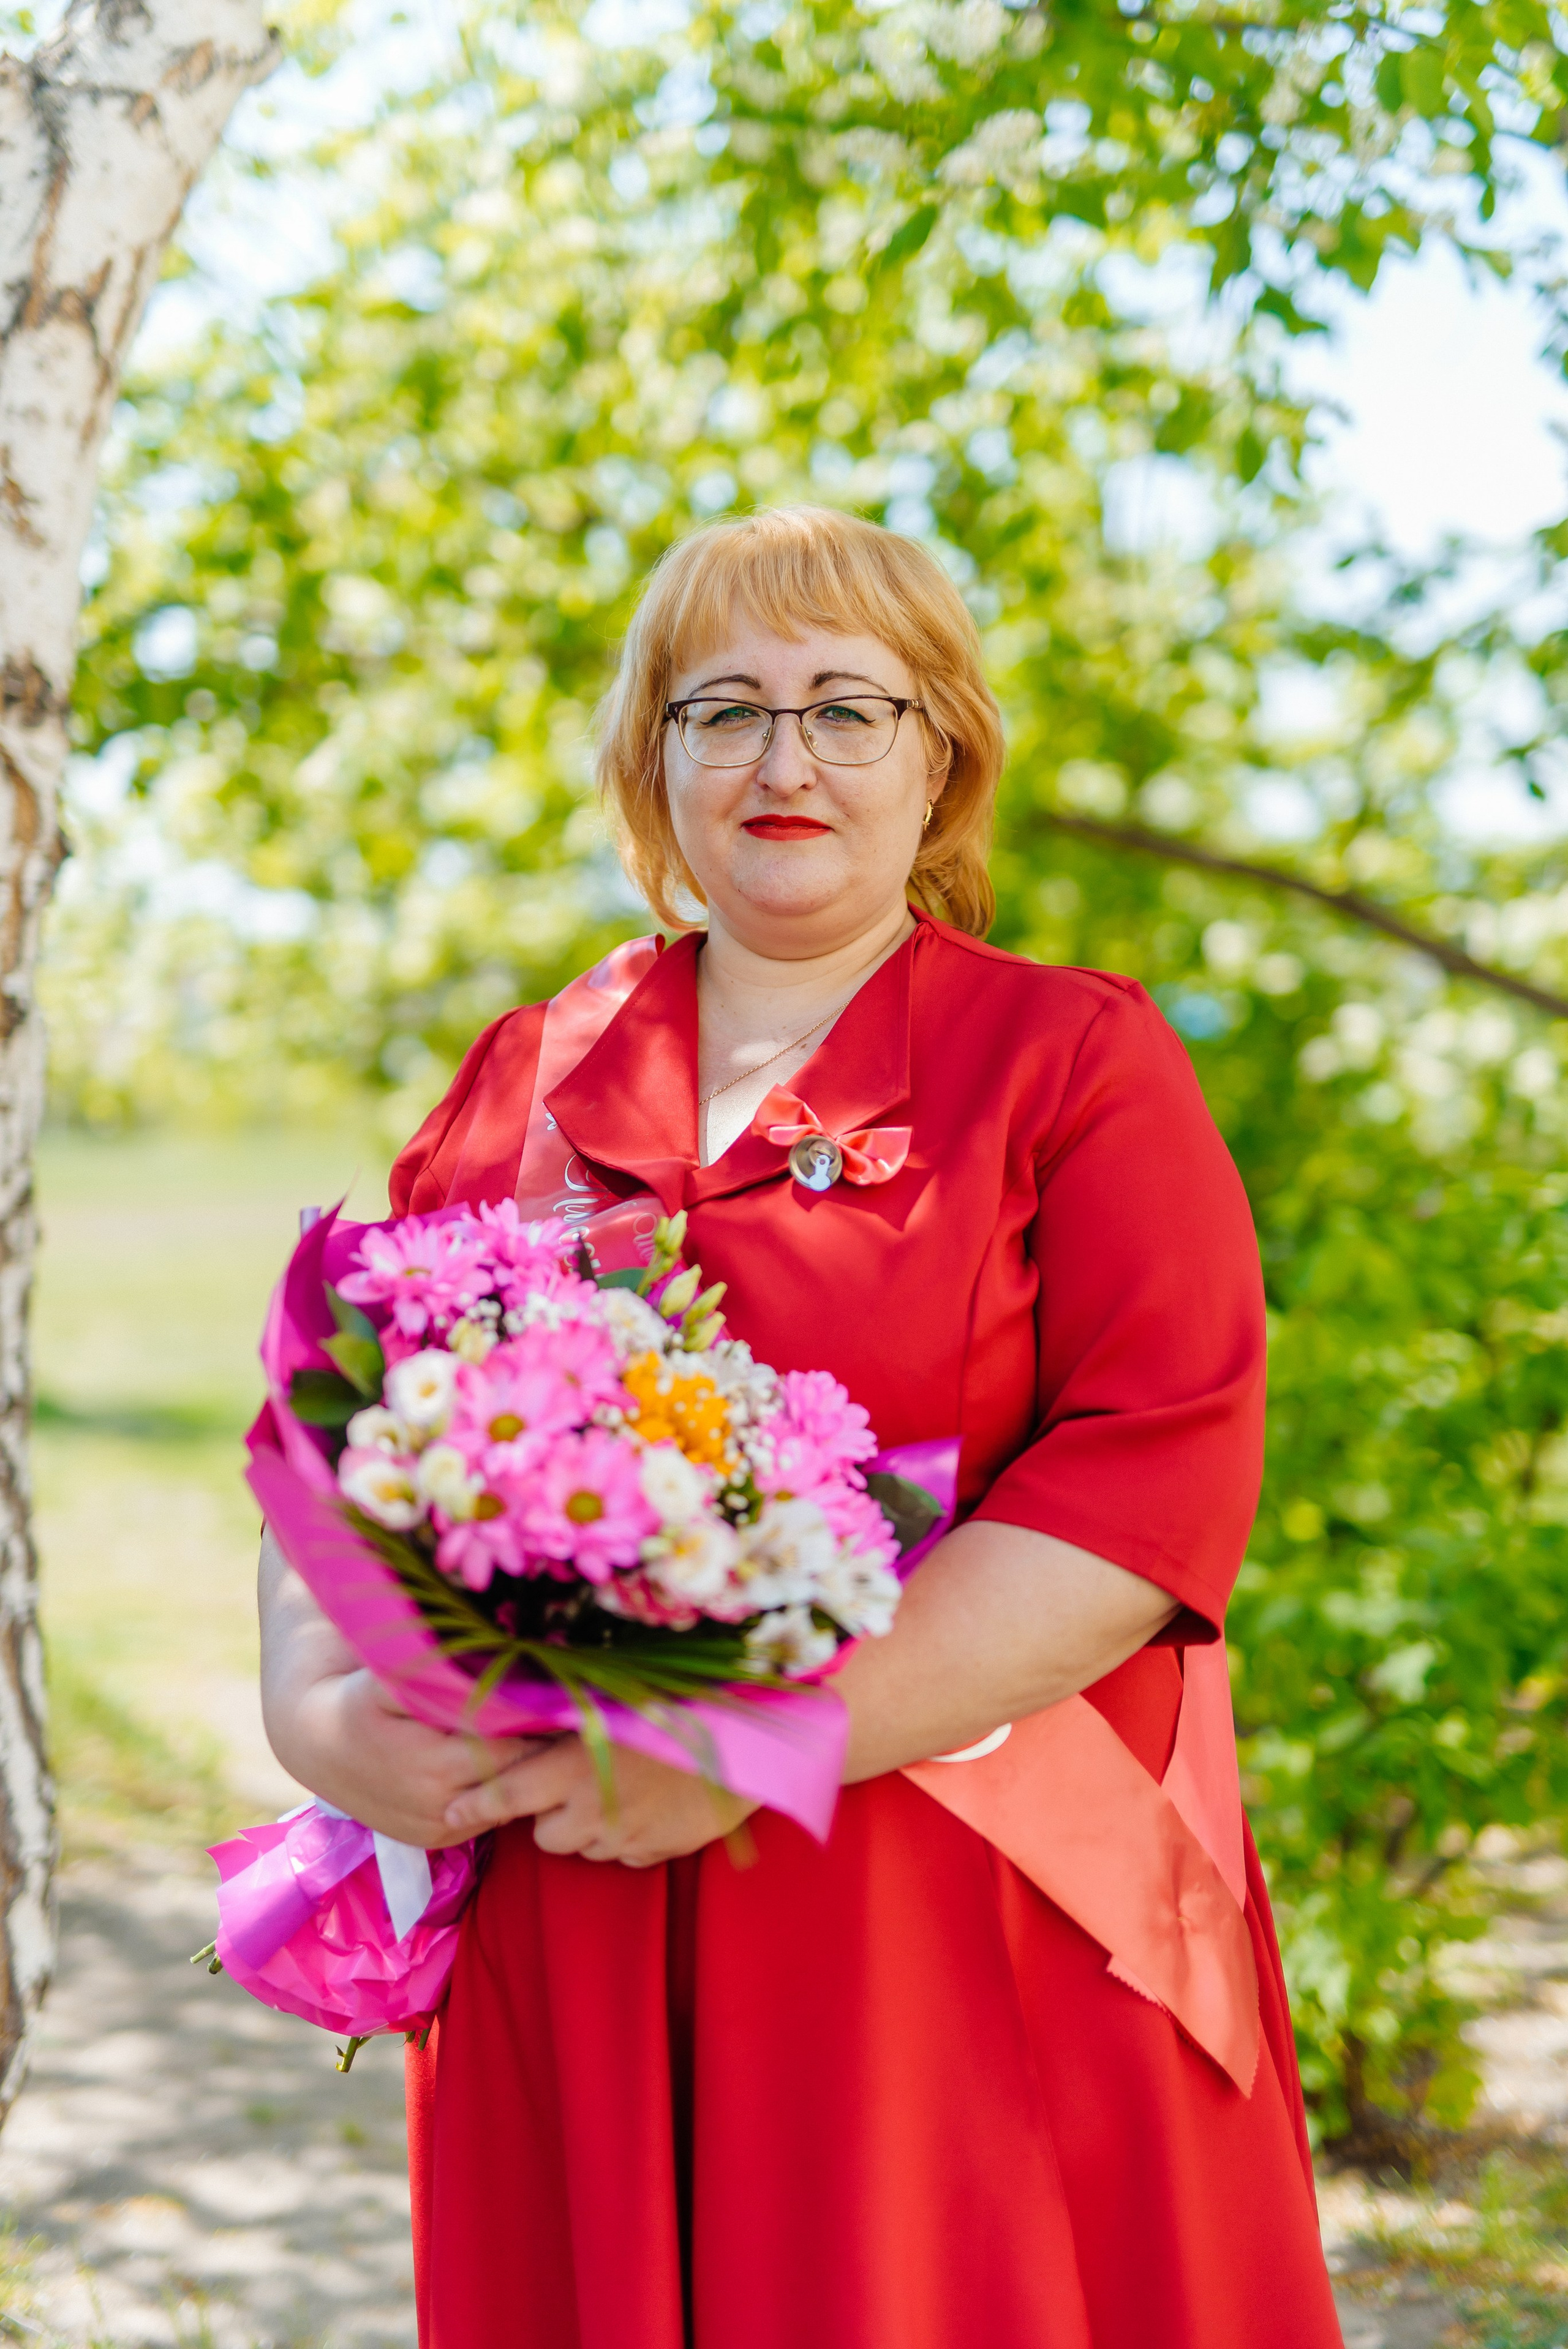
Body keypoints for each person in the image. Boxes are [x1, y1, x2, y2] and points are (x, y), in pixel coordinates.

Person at [258, 505, 1344, 2348]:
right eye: (724, 709)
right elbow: (338, 1432)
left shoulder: (1068, 1063)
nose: (785, 758)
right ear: (652, 757)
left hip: (945, 1936)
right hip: (580, 1919)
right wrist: (321, 1713)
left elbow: (1144, 1482)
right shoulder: (530, 1072)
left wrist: (743, 1747)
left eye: (851, 707)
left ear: (941, 758)